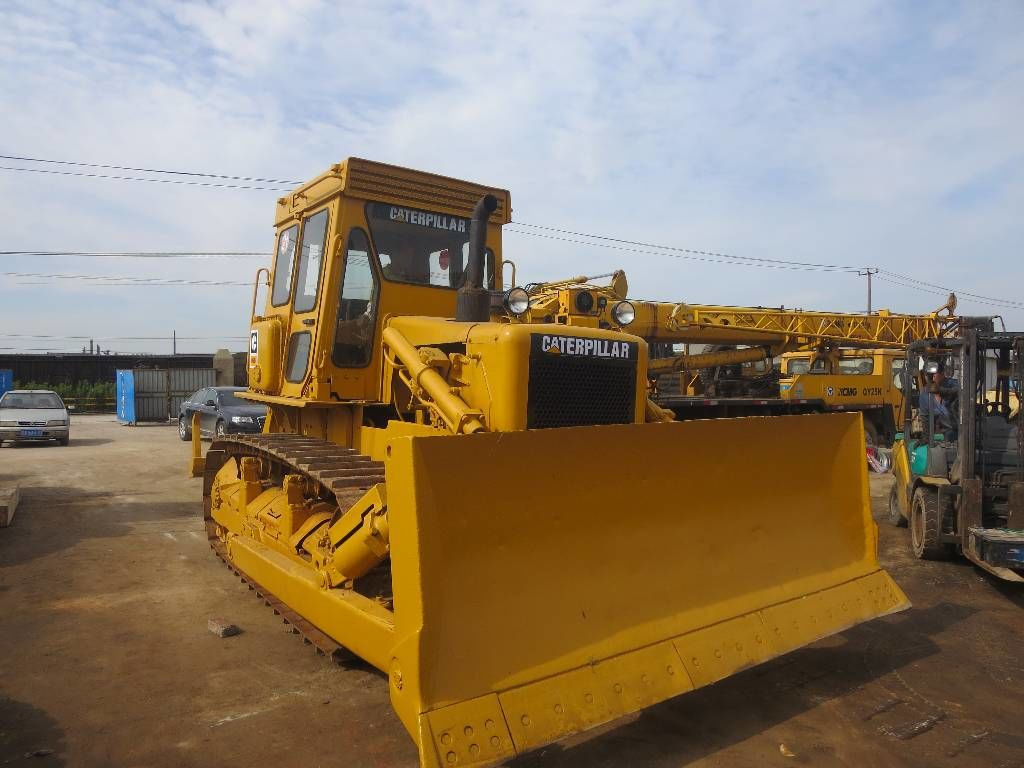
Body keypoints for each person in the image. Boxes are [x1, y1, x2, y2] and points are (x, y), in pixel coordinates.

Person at [918, 360, 959, 440]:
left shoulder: (954, 384)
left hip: (964, 432)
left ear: (942, 374)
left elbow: (962, 391)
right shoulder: (925, 395)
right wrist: (926, 437)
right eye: (928, 375)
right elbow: (926, 418)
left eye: (934, 374)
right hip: (946, 434)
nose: (931, 377)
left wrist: (942, 390)